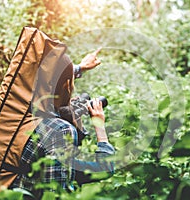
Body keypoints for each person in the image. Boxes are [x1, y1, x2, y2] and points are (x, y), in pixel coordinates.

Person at [9, 48, 115, 198]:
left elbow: (49, 77)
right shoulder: (60, 131)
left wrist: (80, 68)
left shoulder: (16, 106)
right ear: (67, 85)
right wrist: (99, 125)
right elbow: (57, 194)